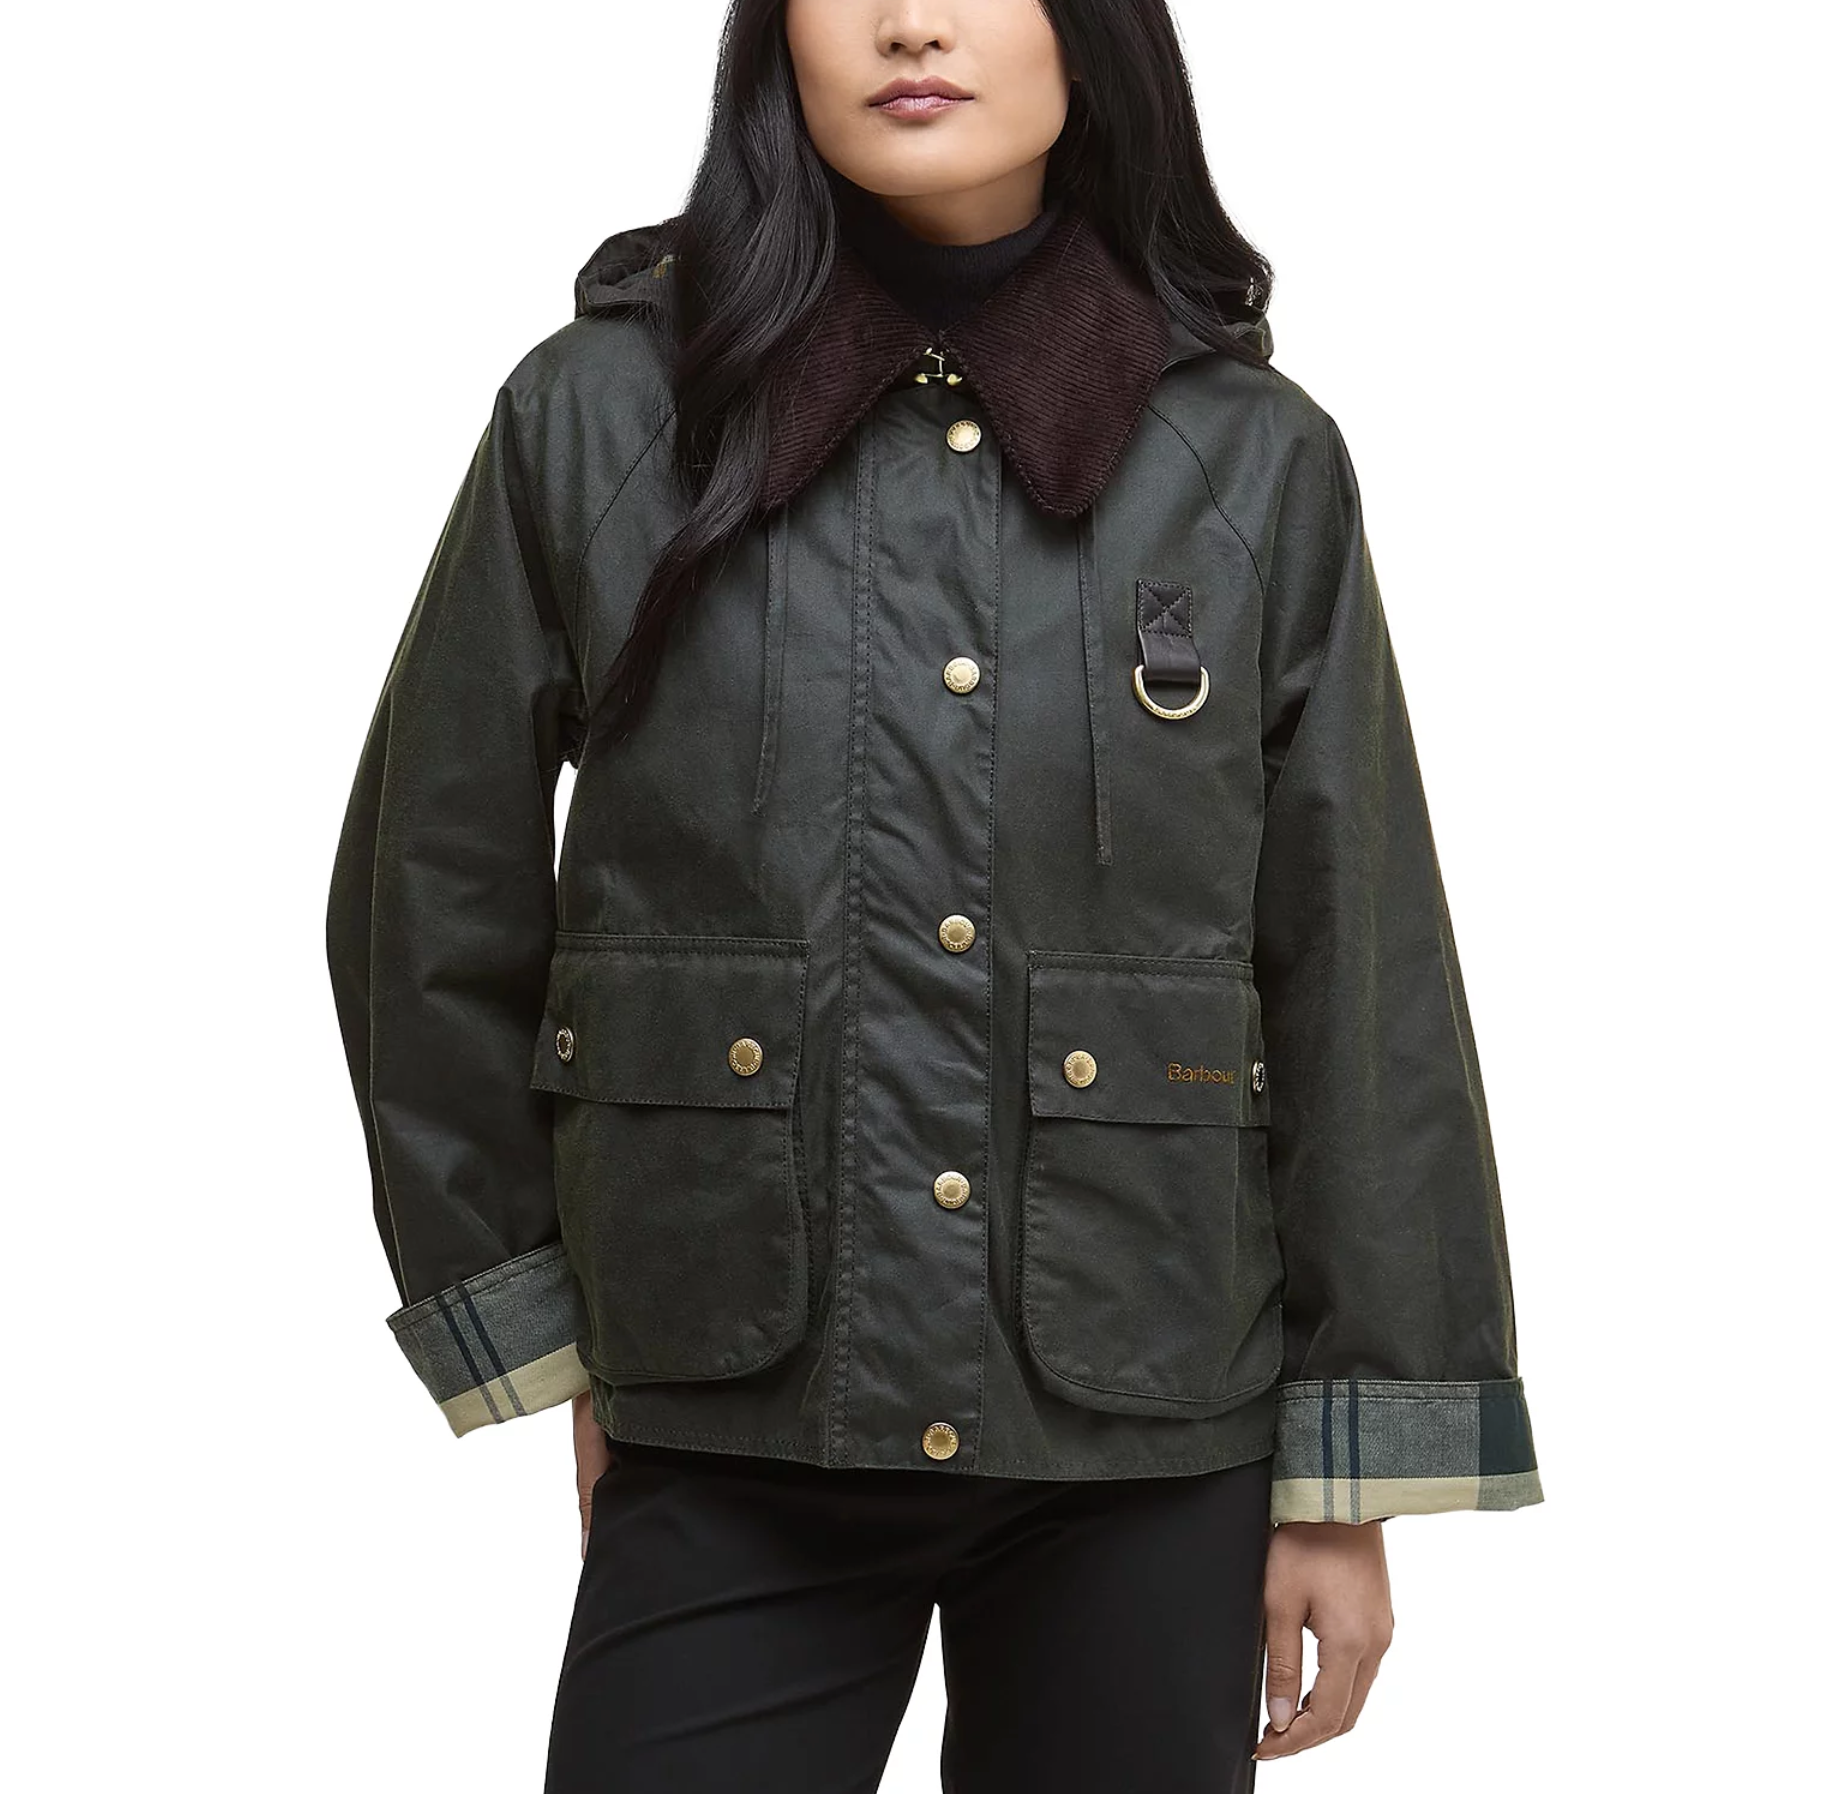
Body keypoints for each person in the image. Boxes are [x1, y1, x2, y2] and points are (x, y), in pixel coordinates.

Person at [323, 2, 1544, 1788]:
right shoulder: (597, 418)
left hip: (1147, 1421)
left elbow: (1358, 962)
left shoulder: (1244, 458)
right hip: (734, 1397)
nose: (911, 21)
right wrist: (550, 1336)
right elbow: (426, 886)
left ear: (1089, 39)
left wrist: (1345, 1477)